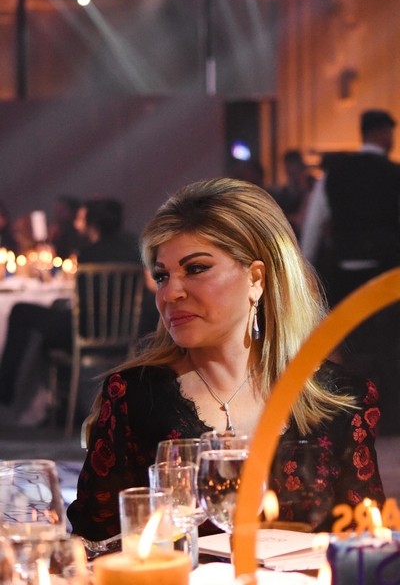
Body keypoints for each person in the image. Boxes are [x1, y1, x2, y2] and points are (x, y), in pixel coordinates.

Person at [67, 178, 384, 541]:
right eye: (162, 275)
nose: (170, 293)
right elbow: (94, 543)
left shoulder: (341, 401)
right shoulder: (135, 396)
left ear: (256, 278)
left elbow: (367, 546)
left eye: (196, 268)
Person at [300, 109, 400, 434]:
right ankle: (391, 419)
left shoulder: (335, 175)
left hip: (344, 277)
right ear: (385, 135)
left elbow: (313, 228)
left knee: (352, 349)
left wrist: (305, 270)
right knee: (390, 348)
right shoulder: (394, 174)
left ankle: (355, 417)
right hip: (388, 278)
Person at [0, 198, 141, 414]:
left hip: (86, 332)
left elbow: (83, 305)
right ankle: (57, 404)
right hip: (126, 333)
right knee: (46, 323)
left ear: (92, 222)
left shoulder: (89, 254)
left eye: (82, 218)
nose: (77, 223)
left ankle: (6, 388)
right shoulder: (132, 250)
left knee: (20, 311)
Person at [271, 150, 316, 239]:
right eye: (288, 171)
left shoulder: (312, 189)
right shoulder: (284, 193)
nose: (290, 174)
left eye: (293, 171)